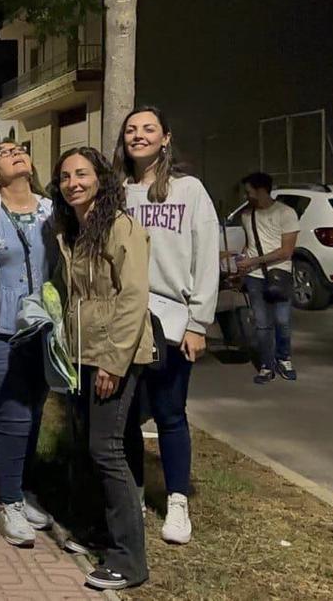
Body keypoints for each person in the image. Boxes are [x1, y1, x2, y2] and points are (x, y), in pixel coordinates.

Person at [115, 106, 220, 546]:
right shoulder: (118, 192)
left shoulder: (189, 190)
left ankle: (177, 500)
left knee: (170, 412)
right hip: (125, 319)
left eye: (148, 129)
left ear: (166, 138)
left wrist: (198, 322)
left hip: (172, 320)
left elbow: (207, 255)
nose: (138, 136)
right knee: (125, 416)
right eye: (131, 130)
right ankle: (134, 493)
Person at [51, 146, 152, 591]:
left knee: (106, 449)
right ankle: (95, 531)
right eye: (65, 177)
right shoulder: (71, 229)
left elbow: (134, 297)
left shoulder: (119, 226)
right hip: (81, 354)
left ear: (101, 179)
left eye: (81, 174)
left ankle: (129, 561)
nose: (72, 183)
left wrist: (113, 362)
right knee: (87, 447)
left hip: (114, 354)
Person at [0, 139, 55, 547]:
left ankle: (20, 489)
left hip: (45, 331)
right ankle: (9, 503)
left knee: (32, 414)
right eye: (3, 153)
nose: (14, 154)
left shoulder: (53, 211)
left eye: (19, 149)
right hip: (2, 332)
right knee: (13, 414)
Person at [236, 172, 299, 384]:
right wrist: (242, 264)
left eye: (249, 191)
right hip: (254, 277)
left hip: (280, 273)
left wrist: (253, 261)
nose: (247, 196)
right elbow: (249, 245)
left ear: (262, 190)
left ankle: (284, 358)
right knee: (262, 324)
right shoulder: (247, 215)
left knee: (282, 321)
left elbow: (286, 251)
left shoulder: (286, 213)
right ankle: (266, 365)